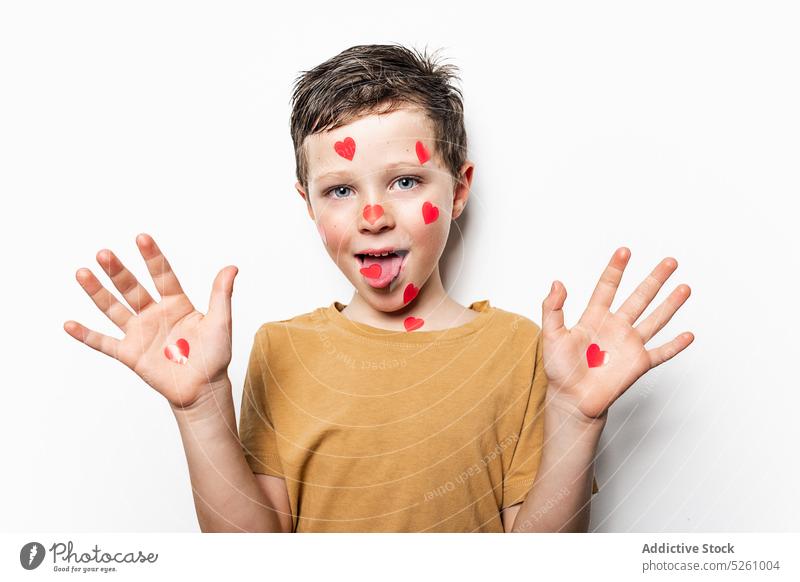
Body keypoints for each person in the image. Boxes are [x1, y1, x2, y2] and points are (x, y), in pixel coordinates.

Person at [63, 43, 693, 533]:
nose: (372, 216)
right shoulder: (282, 350)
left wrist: (575, 418)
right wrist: (198, 405)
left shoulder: (526, 350)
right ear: (309, 204)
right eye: (341, 189)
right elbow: (250, 554)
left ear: (460, 189)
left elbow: (538, 559)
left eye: (404, 181)